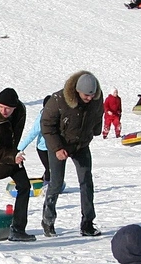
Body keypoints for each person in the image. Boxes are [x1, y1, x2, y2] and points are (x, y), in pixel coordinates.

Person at [41, 71, 104, 237]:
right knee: (56, 182)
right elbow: (47, 125)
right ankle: (48, 220)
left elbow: (99, 113)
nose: (89, 98)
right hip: (60, 144)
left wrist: (96, 129)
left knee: (86, 181)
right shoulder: (59, 100)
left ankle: (87, 222)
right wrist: (56, 148)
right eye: (86, 95)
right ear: (77, 91)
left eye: (92, 95)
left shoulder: (96, 98)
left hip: (81, 144)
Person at [0, 88, 33, 244]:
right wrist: (12, 155)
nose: (4, 110)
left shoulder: (20, 111)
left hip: (11, 156)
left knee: (25, 186)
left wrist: (13, 155)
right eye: (1, 106)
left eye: (8, 108)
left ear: (14, 107)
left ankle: (18, 229)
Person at [19, 104, 52, 183]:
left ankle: (48, 180)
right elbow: (32, 135)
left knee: (53, 168)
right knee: (49, 168)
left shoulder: (58, 116)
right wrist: (19, 148)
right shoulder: (42, 119)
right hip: (43, 149)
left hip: (54, 148)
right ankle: (47, 184)